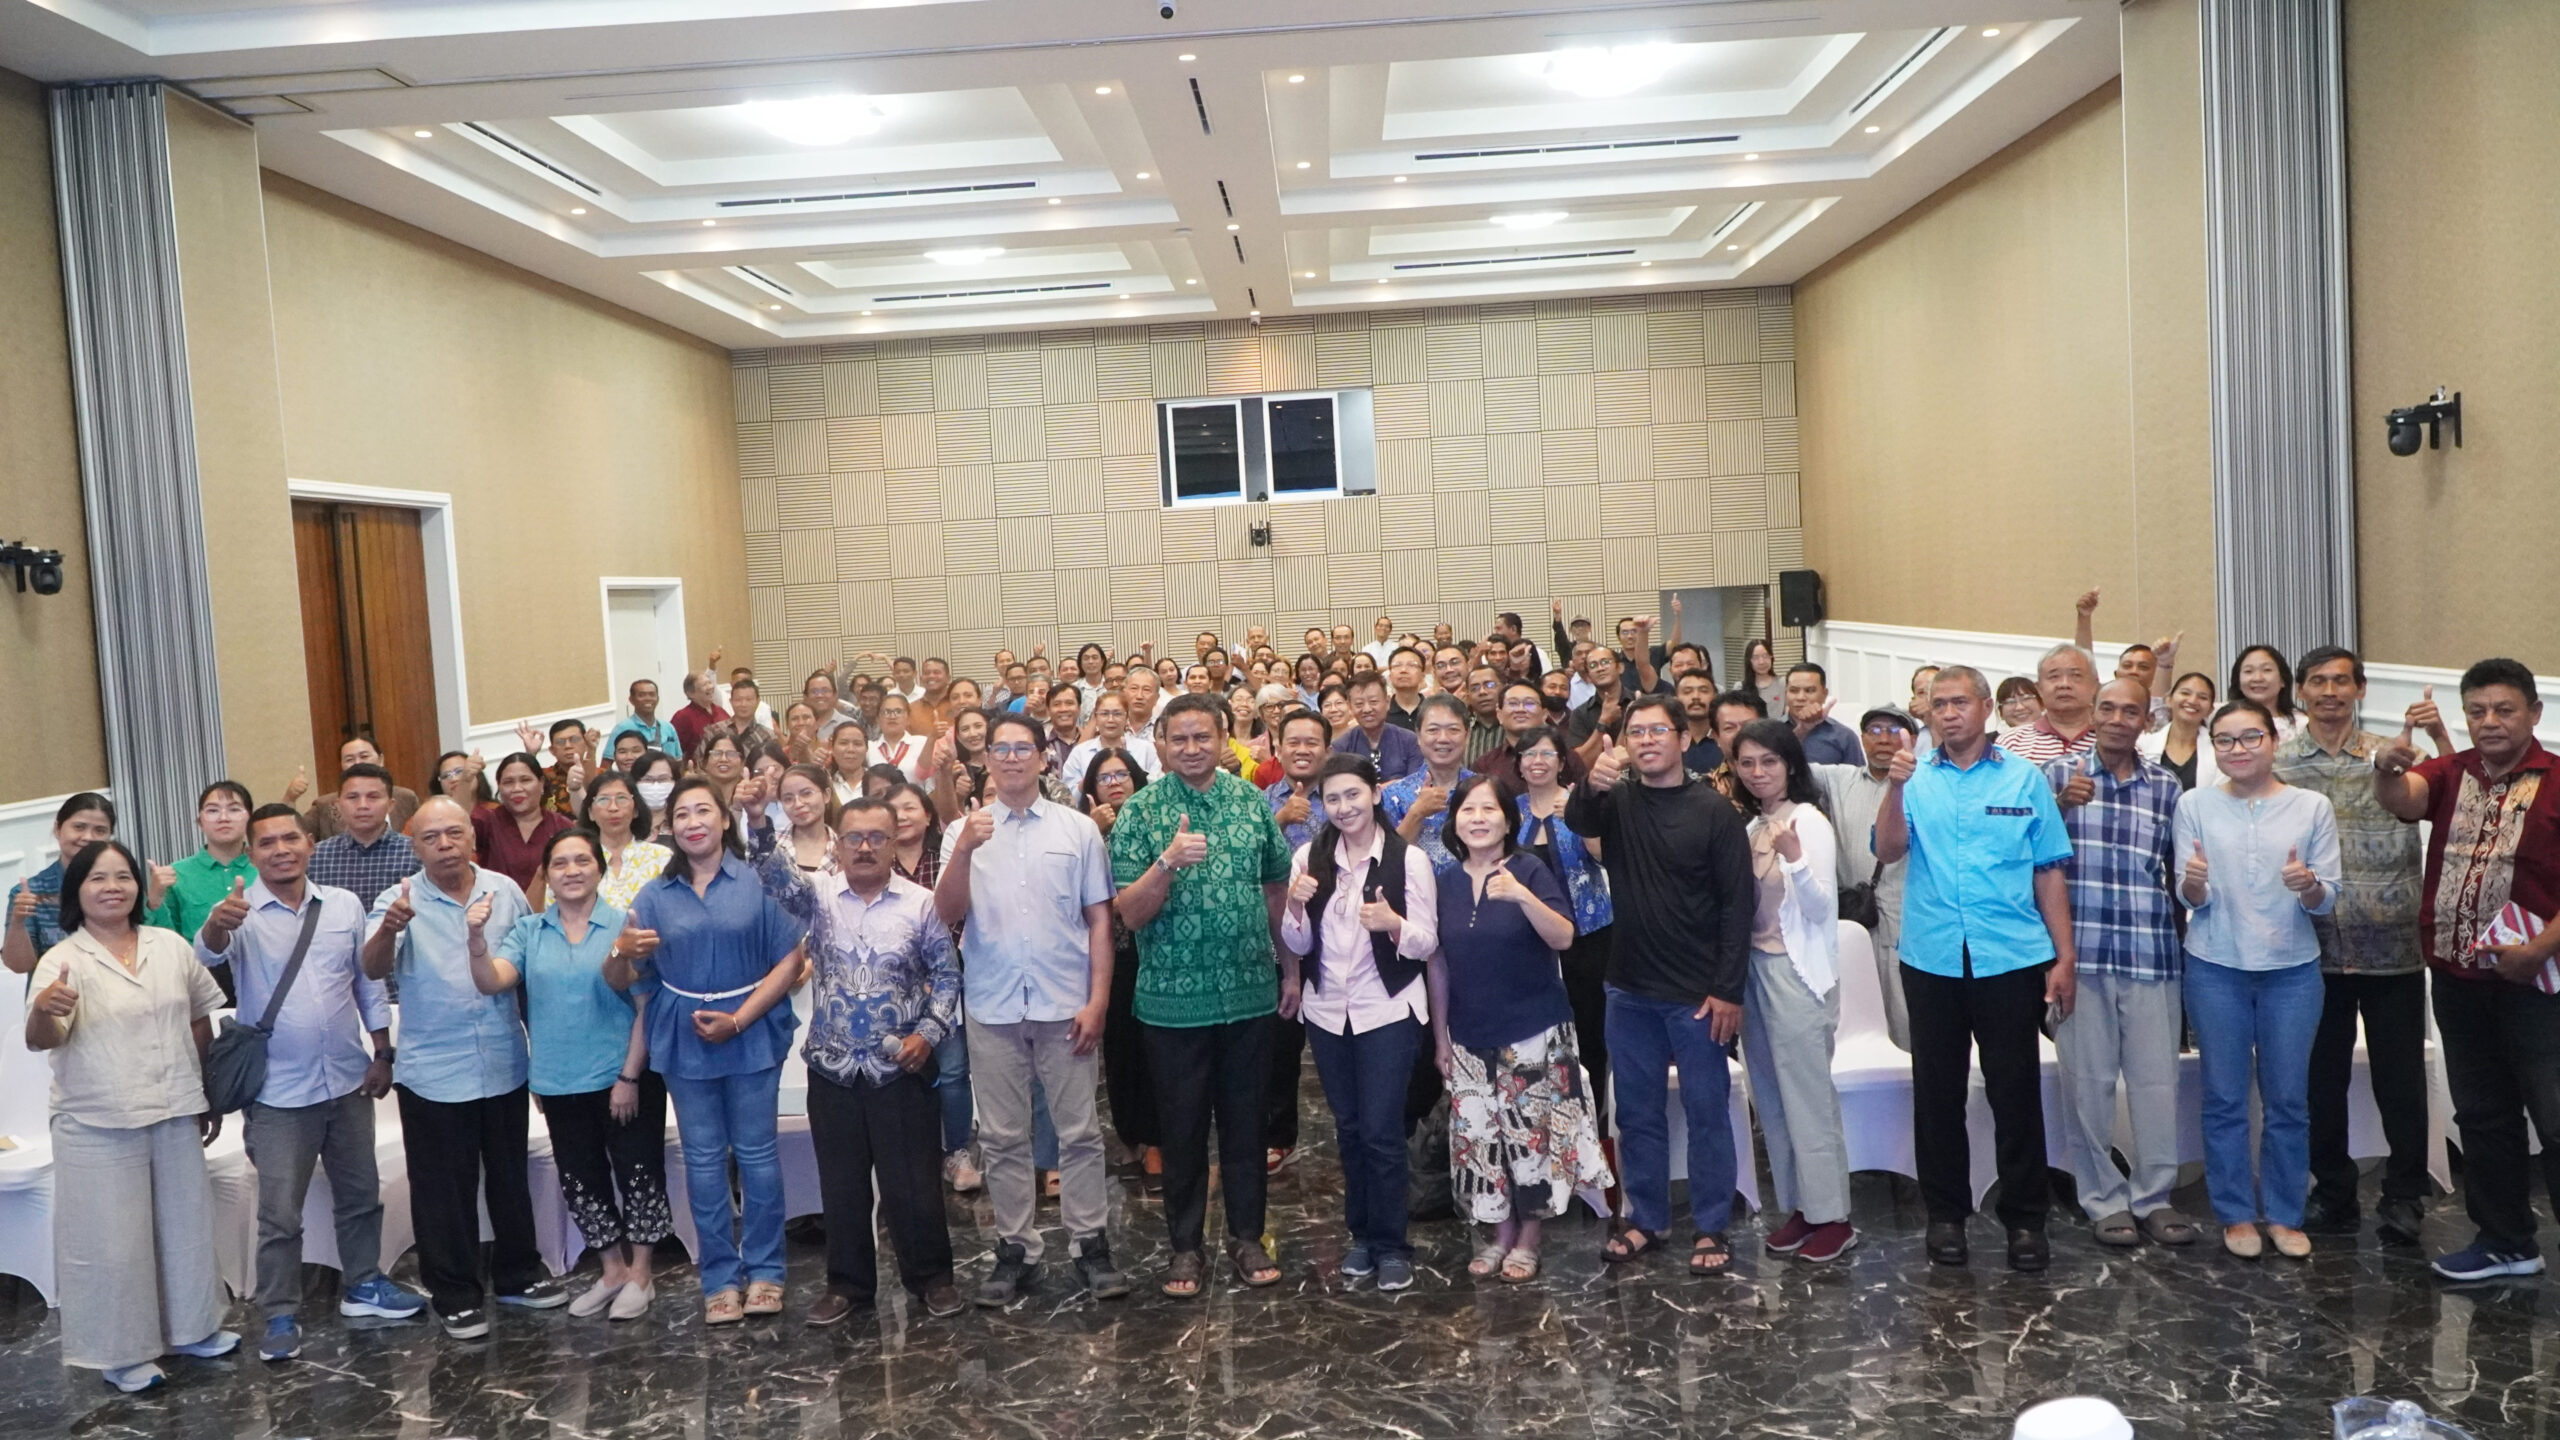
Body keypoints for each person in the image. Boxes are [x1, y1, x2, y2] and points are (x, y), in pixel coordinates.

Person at [196, 805, 421, 1362]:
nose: (280, 850)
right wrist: (216, 924)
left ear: (310, 844)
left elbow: (367, 982)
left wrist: (382, 1050)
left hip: (346, 1079)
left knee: (360, 1195)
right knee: (279, 1213)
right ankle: (279, 1312)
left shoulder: (343, 905)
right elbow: (207, 953)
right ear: (251, 854)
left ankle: (364, 1284)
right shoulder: (239, 912)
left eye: (290, 838)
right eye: (267, 842)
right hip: (277, 1092)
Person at [1874, 665, 2076, 1272]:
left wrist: (2064, 956)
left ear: (1986, 708)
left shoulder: (2024, 778)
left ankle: (2026, 1220)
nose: (1949, 713)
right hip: (1932, 957)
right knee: (1938, 1094)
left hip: (2010, 956)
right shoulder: (1914, 777)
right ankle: (1946, 1216)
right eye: (1938, 704)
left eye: (1960, 702)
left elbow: (2048, 870)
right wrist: (1894, 788)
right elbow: (1888, 850)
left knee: (2016, 1091)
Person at [24, 840, 238, 1392]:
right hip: (97, 1118)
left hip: (174, 1105)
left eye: (123, 876)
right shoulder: (62, 959)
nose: (112, 887)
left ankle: (193, 1328)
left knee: (185, 1227)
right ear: (77, 891)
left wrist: (204, 1089)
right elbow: (40, 1038)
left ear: (138, 888)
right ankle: (120, 1353)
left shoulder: (169, 946)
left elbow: (199, 1017)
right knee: (113, 1243)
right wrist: (45, 1009)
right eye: (97, 878)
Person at [2374, 658, 2560, 1282]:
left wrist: (2539, 950)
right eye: (2477, 711)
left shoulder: (2557, 780)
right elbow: (2403, 799)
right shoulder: (2452, 772)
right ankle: (2507, 1242)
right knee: (2482, 1115)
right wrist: (2385, 768)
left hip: (2540, 985)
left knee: (2556, 1118)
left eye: (2504, 709)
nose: (2490, 722)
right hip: (2459, 980)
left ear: (2534, 713)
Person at [935, 713, 1129, 1305]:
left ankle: (1090, 1242)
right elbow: (946, 913)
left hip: (1065, 1002)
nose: (1013, 758)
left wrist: (1098, 1001)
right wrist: (964, 849)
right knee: (1001, 1136)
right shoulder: (963, 831)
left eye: (1024, 748)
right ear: (987, 759)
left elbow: (1100, 921)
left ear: (1044, 758)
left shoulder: (1077, 830)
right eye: (1002, 749)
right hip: (992, 1003)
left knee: (1079, 1132)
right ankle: (1015, 1246)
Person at [1107, 693, 1294, 1297]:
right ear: (1161, 744)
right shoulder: (1140, 812)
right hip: (1170, 1004)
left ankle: (1247, 1236)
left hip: (1250, 994)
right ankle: (1185, 1246)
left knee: (1246, 1125)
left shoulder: (1251, 802)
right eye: (1179, 739)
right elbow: (1129, 914)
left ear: (1222, 740)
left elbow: (1276, 890)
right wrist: (1166, 863)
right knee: (1181, 1130)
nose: (1191, 748)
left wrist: (1290, 970)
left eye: (1202, 737)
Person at [1566, 694, 1755, 1276]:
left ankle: (1712, 1225)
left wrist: (1728, 990)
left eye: (1657, 731)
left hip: (1698, 995)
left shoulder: (1715, 811)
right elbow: (1579, 822)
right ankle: (1645, 1218)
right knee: (1636, 1114)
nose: (1646, 741)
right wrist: (1593, 782)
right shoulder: (1618, 800)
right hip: (1628, 989)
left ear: (1682, 738)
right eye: (1636, 732)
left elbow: (1738, 907)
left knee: (1706, 1111)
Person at [361, 798, 564, 1337]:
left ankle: (519, 1275)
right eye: (431, 837)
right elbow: (372, 968)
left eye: (454, 833)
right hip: (433, 1071)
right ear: (415, 847)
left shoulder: (506, 891)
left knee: (510, 1178)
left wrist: (542, 1055)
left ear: (472, 839)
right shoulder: (398, 899)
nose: (445, 845)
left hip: (503, 1060)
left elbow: (527, 974)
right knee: (441, 1192)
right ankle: (453, 1293)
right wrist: (389, 930)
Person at [614, 776, 806, 1324]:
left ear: (724, 819)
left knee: (757, 1155)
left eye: (703, 811)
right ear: (669, 826)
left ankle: (766, 1271)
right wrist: (620, 952)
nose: (693, 822)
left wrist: (740, 1020)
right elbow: (628, 977)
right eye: (681, 814)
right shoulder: (654, 895)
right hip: (684, 1037)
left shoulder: (758, 880)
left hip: (751, 1029)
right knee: (701, 1160)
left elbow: (790, 961)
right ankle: (719, 1278)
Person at [471, 828, 669, 1320]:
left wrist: (629, 1077)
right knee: (581, 1180)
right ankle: (612, 1271)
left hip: (623, 1077)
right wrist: (475, 941)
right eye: (560, 863)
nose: (572, 871)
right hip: (559, 1081)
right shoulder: (529, 931)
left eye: (583, 860)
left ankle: (641, 1275)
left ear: (600, 869)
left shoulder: (624, 924)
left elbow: (647, 1008)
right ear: (547, 874)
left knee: (639, 1173)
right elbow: (492, 981)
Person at [2278, 647, 2441, 1243]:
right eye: (2318, 681)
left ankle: (2405, 1195)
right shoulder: (2279, 763)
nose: (2330, 691)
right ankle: (2333, 1191)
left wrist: (2437, 735)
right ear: (2300, 691)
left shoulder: (2393, 755)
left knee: (2401, 1082)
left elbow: (2452, 799)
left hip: (2391, 945)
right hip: (2310, 950)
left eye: (2341, 681)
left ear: (2360, 689)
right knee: (2320, 1081)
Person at [2176, 697, 2340, 1259]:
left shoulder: (2311, 806)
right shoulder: (2194, 804)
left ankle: (2285, 1214)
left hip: (2291, 972)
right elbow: (2189, 897)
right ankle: (2235, 1214)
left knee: (2288, 1099)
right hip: (2214, 966)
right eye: (2225, 740)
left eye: (2251, 737)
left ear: (2273, 740)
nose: (2238, 749)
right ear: (2214, 748)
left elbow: (2327, 898)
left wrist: (2308, 884)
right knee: (2223, 1097)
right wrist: (2194, 882)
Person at [795, 793, 969, 1323]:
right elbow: (774, 882)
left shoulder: (921, 904)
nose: (865, 847)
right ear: (838, 844)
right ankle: (847, 1286)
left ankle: (933, 1279)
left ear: (894, 843)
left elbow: (947, 975)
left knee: (913, 1183)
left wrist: (929, 1035)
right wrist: (757, 822)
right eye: (854, 837)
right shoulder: (818, 898)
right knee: (841, 1185)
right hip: (833, 1067)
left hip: (901, 1068)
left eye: (877, 837)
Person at [1431, 771, 1607, 1283]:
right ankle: (1498, 1234)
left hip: (1533, 1030)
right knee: (1481, 1140)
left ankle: (1528, 1240)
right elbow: (1437, 963)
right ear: (1454, 822)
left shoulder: (1529, 868)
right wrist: (1440, 1036)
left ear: (1509, 821)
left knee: (1531, 1141)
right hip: (1467, 1032)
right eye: (1468, 810)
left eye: (1489, 809)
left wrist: (1523, 897)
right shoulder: (1444, 882)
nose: (1478, 819)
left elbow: (1564, 938)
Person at [1277, 755, 1442, 1291]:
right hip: (1328, 1012)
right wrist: (1295, 908)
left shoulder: (1408, 860)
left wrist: (1394, 924)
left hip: (1387, 1009)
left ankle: (1392, 1244)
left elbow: (1426, 943)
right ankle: (1361, 1236)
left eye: (1353, 794)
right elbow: (1298, 943)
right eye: (1333, 799)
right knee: (1348, 1129)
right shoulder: (1309, 856)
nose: (1344, 807)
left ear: (1374, 794)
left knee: (1381, 1130)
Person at [2042, 680, 2196, 1250]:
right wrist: (2059, 807)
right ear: (2092, 713)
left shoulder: (2166, 787)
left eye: (2130, 711)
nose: (2116, 718)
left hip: (2150, 953)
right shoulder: (2056, 777)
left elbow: (2180, 872)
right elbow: (2025, 855)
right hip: (2078, 957)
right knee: (2088, 1087)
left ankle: (2154, 1196)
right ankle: (2103, 1198)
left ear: (2145, 721)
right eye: (2106, 708)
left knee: (2157, 1084)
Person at [1727, 720, 1856, 1264]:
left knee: (1808, 1100)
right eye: (1747, 763)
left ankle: (1835, 1218)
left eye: (1769, 762)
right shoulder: (1753, 824)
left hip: (1796, 974)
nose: (1758, 772)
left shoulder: (1808, 821)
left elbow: (1822, 908)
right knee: (1772, 1101)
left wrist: (1796, 858)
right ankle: (1801, 1207)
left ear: (1790, 766)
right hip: (1754, 971)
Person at [1510, 726, 1614, 1127]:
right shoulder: (1508, 811)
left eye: (1546, 754)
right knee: (1532, 1035)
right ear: (1519, 764)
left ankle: (1592, 1124)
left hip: (1587, 938)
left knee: (1589, 1032)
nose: (1537, 761)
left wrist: (1581, 819)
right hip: (1524, 943)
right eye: (1529, 754)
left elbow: (1607, 858)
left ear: (1561, 762)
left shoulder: (1578, 803)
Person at [1811, 710, 1915, 1050]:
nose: (1884, 739)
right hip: (1853, 921)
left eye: (1894, 730)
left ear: (1911, 740)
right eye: (1874, 730)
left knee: (1905, 1021)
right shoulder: (1839, 778)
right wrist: (1804, 728)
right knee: (1852, 1024)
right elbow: (1787, 767)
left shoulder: (1925, 784)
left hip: (1906, 924)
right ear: (1862, 738)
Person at [1082, 749, 1160, 1183]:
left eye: (1123, 774)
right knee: (1119, 1050)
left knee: (1153, 1048)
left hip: (1152, 947)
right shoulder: (1081, 830)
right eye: (1105, 777)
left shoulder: (1154, 821)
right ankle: (1131, 1137)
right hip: (1107, 952)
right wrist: (1094, 832)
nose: (1114, 783)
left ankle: (1157, 1140)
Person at [157, 781, 258, 997]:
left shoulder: (266, 868)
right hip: (200, 983)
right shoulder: (176, 874)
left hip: (262, 978)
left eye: (234, 809)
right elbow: (166, 939)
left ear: (250, 818)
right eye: (213, 810)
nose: (223, 818)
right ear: (200, 821)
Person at [4, 792, 119, 976]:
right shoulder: (31, 893)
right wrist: (18, 922)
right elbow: (19, 966)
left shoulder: (120, 886)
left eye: (100, 830)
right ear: (58, 829)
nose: (88, 837)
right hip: (55, 990)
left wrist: (154, 902)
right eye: (79, 827)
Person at [308, 763, 421, 913]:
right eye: (352, 797)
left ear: (391, 805)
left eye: (373, 797)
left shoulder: (416, 853)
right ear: (338, 805)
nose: (362, 805)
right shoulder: (315, 858)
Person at [1383, 694, 1474, 872]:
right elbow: (1386, 860)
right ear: (1418, 736)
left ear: (1467, 735)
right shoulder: (1394, 795)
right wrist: (1417, 813)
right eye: (1433, 730)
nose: (1443, 738)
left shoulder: (1483, 791)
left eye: (1453, 730)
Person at [474, 753, 575, 897]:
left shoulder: (562, 826)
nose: (517, 788)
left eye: (525, 780)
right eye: (508, 782)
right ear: (499, 787)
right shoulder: (486, 823)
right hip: (496, 908)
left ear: (541, 783)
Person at [581, 770, 676, 915]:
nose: (613, 807)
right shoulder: (578, 860)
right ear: (590, 813)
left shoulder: (661, 857)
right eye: (603, 800)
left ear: (636, 809)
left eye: (622, 798)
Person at [297, 736, 423, 841]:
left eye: (364, 756)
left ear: (381, 760)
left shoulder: (406, 797)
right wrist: (290, 798)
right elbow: (296, 834)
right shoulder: (323, 804)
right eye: (349, 759)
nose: (357, 763)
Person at [1997, 645, 2101, 765]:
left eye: (2075, 675)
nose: (2064, 684)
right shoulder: (2011, 743)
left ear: (2094, 686)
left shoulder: (2110, 739)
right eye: (2054, 676)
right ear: (2039, 688)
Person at [2139, 672, 2227, 791]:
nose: (2193, 701)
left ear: (2210, 709)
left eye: (2203, 697)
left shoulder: (2220, 751)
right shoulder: (2143, 745)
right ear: (2169, 700)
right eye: (2185, 693)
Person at [1332, 672, 1425, 781]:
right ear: (1350, 707)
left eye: (1373, 702)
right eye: (1359, 704)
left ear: (1387, 702)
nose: (1367, 709)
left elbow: (1415, 783)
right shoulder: (1341, 746)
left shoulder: (1409, 740)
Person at [1062, 691, 1160, 792]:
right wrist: (1091, 778)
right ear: (1096, 718)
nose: (1110, 720)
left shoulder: (1146, 749)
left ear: (1127, 717)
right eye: (1104, 714)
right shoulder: (1080, 753)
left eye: (1117, 714)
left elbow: (1156, 787)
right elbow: (1068, 794)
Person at [1781, 663, 1863, 766]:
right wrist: (1802, 730)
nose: (1800, 697)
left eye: (1809, 691)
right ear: (1786, 693)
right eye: (1794, 691)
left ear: (1824, 694)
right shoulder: (1770, 732)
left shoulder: (1844, 736)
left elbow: (1857, 775)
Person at [2229, 644, 2305, 743]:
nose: (2257, 678)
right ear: (2238, 682)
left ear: (2283, 680)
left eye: (2267, 670)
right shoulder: (2225, 721)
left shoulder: (2302, 724)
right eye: (2248, 671)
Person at [605, 678, 683, 760]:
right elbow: (607, 762)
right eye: (641, 695)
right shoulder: (622, 728)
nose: (648, 698)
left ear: (658, 699)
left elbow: (678, 760)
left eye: (652, 695)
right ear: (631, 700)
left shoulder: (668, 728)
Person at [669, 671, 730, 760]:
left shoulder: (720, 711)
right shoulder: (682, 717)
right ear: (691, 693)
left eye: (710, 682)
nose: (710, 687)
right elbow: (674, 750)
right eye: (705, 685)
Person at [429, 749, 495, 813]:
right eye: (445, 775)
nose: (453, 779)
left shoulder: (494, 811)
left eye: (459, 771)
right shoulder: (436, 815)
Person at [1743, 638, 1783, 713]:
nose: (1761, 662)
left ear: (1771, 657)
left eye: (1765, 656)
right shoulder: (1740, 687)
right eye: (1756, 657)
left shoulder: (1782, 683)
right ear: (1749, 661)